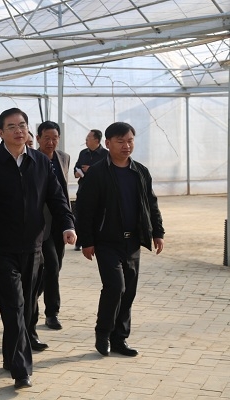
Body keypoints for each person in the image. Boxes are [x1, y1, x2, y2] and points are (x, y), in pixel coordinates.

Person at [0, 108, 75, 390]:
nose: (19, 130)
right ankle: (21, 369)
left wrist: (67, 225)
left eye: (23, 125)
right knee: (14, 307)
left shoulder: (40, 162)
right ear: (1, 133)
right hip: (1, 248)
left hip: (33, 246)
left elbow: (57, 198)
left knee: (25, 309)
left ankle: (10, 357)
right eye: (12, 126)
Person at [75, 121, 164, 357]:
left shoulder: (140, 171)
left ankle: (119, 339)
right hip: (106, 242)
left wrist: (158, 232)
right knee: (115, 287)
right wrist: (87, 241)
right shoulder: (98, 173)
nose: (126, 146)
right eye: (120, 141)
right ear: (108, 143)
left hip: (132, 241)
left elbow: (151, 203)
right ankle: (103, 334)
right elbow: (85, 209)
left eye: (130, 141)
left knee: (129, 291)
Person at [33, 121, 71, 334]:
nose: (51, 142)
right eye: (46, 138)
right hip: (40, 223)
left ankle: (30, 297)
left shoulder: (64, 158)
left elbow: (63, 191)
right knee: (52, 266)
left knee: (55, 268)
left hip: (60, 223)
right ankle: (51, 313)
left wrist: (69, 222)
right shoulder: (31, 159)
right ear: (38, 138)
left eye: (54, 138)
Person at [73, 129, 108, 250]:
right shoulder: (83, 153)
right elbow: (76, 167)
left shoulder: (106, 155)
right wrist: (77, 173)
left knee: (97, 215)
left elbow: (106, 172)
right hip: (83, 189)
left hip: (99, 192)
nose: (86, 140)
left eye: (88, 138)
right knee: (80, 215)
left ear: (97, 140)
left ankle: (97, 239)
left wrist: (91, 169)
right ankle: (79, 241)